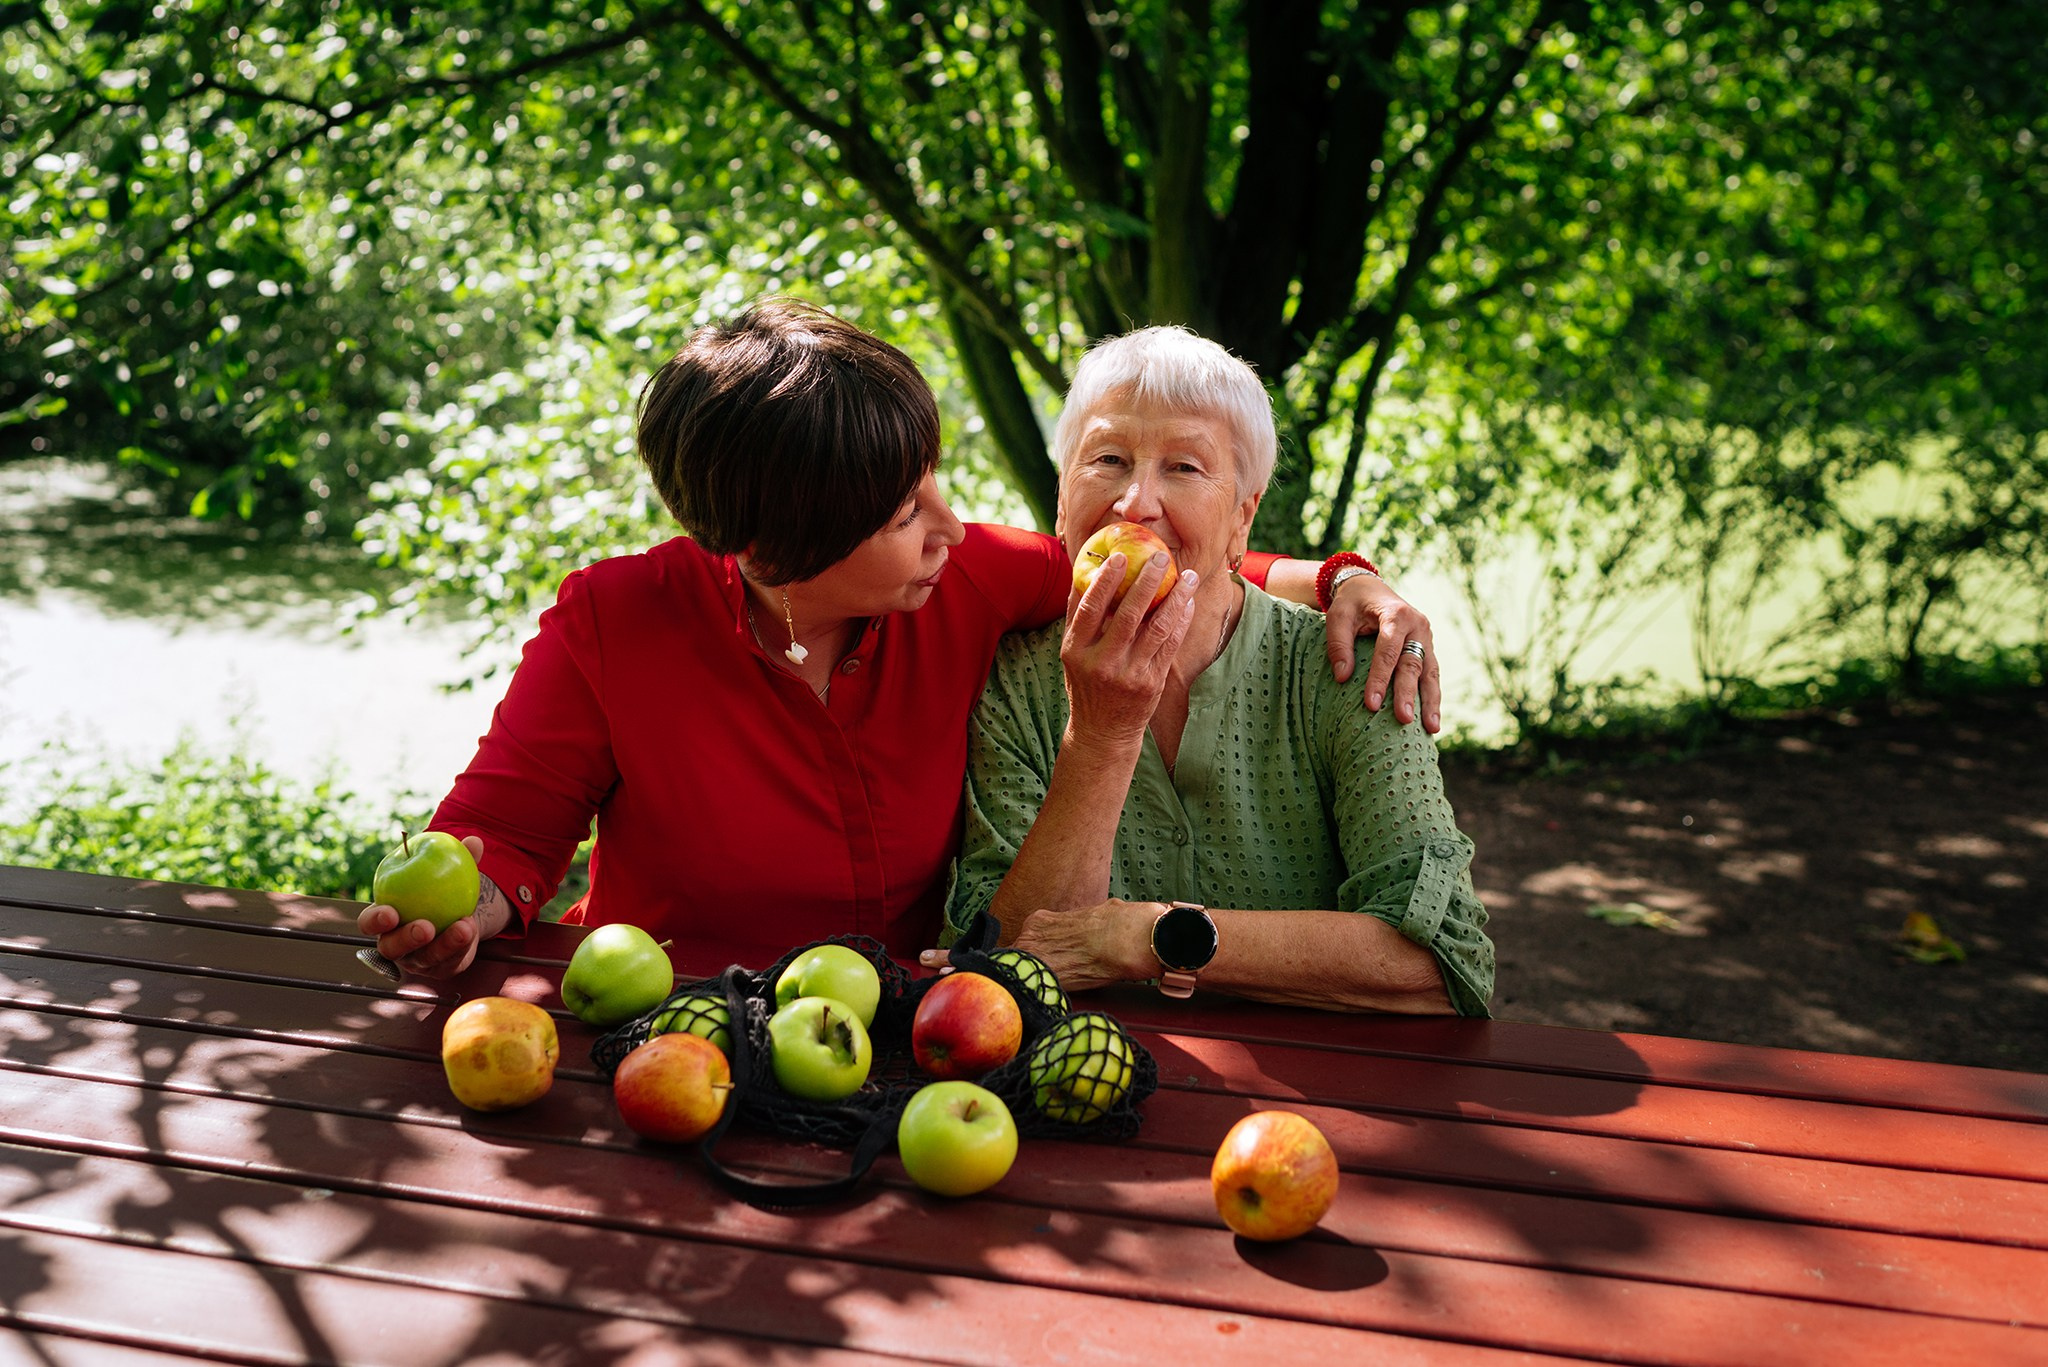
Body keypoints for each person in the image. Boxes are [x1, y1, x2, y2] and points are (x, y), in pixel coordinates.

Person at [357, 299, 1445, 978]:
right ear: (779, 550)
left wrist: (1344, 577)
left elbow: (1156, 552)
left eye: (932, 483)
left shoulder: (963, 576)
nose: (948, 526)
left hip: (919, 1044)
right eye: (901, 514)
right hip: (664, 1018)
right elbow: (502, 829)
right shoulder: (615, 619)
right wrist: (470, 903)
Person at [938, 326, 1492, 1016]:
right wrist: (1103, 736)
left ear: (1242, 518)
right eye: (1108, 457)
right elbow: (996, 964)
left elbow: (1443, 963)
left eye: (1184, 468)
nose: (1136, 501)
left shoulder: (1345, 664)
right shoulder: (1012, 681)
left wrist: (1153, 935)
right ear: (1060, 497)